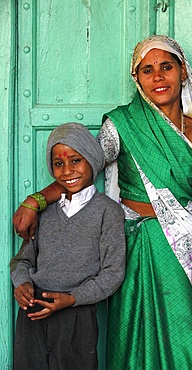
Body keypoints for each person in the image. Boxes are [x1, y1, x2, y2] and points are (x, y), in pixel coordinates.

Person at [13, 35, 192, 369]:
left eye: (166, 67)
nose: (158, 77)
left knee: (186, 348)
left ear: (183, 71)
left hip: (186, 255)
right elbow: (80, 171)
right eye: (148, 70)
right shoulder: (122, 125)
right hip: (132, 250)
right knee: (131, 347)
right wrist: (36, 201)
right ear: (138, 79)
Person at [10, 122, 126, 370]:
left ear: (92, 161)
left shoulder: (108, 212)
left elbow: (112, 273)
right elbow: (22, 261)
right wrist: (22, 283)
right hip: (32, 312)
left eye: (76, 161)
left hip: (77, 314)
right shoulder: (44, 212)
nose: (67, 170)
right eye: (59, 163)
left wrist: (72, 298)